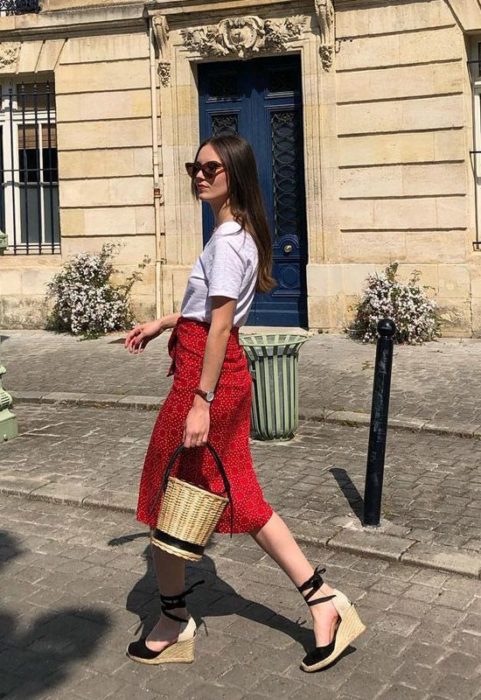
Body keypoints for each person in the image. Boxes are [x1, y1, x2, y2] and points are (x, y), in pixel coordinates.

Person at [124, 135, 365, 672]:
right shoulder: (230, 236)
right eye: (195, 167)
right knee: (231, 495)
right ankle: (321, 601)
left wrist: (201, 400)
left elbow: (221, 326)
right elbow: (202, 311)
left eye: (211, 167)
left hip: (206, 380)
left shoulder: (230, 240)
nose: (200, 175)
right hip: (204, 371)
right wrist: (163, 322)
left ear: (234, 172)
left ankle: (176, 618)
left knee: (169, 491)